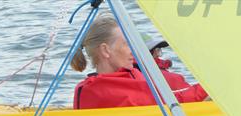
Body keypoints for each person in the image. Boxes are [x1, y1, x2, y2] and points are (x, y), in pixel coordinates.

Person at [70, 16, 208, 109]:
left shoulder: (131, 74)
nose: (134, 51)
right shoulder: (98, 89)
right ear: (106, 50)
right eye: (126, 44)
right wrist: (213, 88)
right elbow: (171, 102)